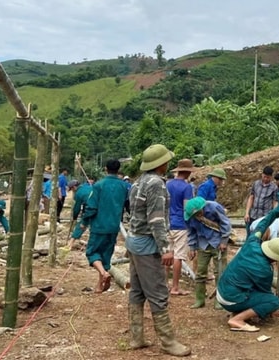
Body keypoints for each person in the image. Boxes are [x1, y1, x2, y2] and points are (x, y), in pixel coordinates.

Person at [125, 144, 191, 357]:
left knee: (137, 291)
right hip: (147, 245)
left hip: (134, 242)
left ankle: (136, 337)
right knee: (158, 293)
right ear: (162, 163)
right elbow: (156, 219)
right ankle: (168, 341)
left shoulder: (138, 182)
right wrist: (166, 248)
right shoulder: (156, 184)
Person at [216, 187, 279, 332]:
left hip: (221, 290)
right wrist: (269, 310)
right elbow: (265, 293)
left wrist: (277, 211)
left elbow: (262, 224)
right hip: (230, 298)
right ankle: (237, 319)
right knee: (273, 301)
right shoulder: (265, 270)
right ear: (275, 258)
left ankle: (238, 312)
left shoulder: (252, 242)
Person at [81, 160, 127, 294]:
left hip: (99, 225)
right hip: (114, 226)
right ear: (118, 169)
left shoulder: (99, 185)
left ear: (105, 168)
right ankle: (99, 286)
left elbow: (91, 206)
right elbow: (127, 204)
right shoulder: (124, 186)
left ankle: (103, 273)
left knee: (92, 253)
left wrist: (85, 221)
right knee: (106, 256)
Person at [184, 196, 231, 310]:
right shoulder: (190, 216)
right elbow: (191, 232)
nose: (196, 217)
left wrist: (224, 241)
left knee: (219, 272)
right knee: (200, 272)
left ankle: (219, 300)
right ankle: (199, 299)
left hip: (218, 243)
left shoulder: (214, 207)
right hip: (203, 244)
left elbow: (225, 224)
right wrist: (192, 247)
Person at [166, 159, 196, 296]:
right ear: (188, 172)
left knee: (168, 254)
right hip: (180, 224)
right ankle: (175, 287)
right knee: (178, 256)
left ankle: (164, 284)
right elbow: (187, 208)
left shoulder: (167, 184)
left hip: (167, 223)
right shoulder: (187, 187)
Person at [244, 166, 278, 236]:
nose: (265, 179)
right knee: (249, 235)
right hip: (253, 215)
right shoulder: (256, 184)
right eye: (264, 176)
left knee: (260, 236)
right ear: (262, 174)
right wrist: (247, 213)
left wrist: (273, 215)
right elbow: (251, 197)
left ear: (271, 177)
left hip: (264, 217)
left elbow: (275, 202)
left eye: (268, 177)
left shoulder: (274, 187)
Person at [66, 177, 95, 250]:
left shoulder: (78, 194)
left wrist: (74, 217)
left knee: (82, 224)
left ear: (74, 187)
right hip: (98, 206)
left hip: (92, 208)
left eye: (72, 189)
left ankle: (70, 244)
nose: (72, 191)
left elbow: (77, 208)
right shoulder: (88, 186)